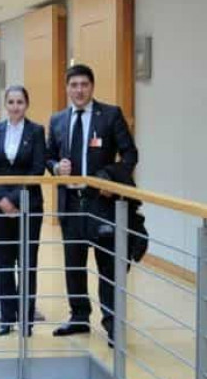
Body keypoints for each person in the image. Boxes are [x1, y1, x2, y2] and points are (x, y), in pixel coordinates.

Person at [46, 64, 138, 346]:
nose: (79, 90)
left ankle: (112, 324)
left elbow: (130, 155)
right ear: (67, 88)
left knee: (107, 266)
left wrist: (108, 178)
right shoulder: (58, 120)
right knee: (73, 265)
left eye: (84, 85)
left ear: (92, 87)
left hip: (102, 203)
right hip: (71, 204)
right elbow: (48, 156)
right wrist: (55, 166)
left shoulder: (110, 115)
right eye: (74, 85)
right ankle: (79, 317)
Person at [0, 85, 46, 337]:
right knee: (4, 263)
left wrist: (14, 199)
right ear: (5, 105)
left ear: (26, 104)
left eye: (20, 102)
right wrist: (2, 199)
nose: (15, 106)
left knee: (27, 264)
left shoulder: (36, 131)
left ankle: (26, 320)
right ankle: (7, 317)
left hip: (28, 204)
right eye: (11, 102)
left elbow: (37, 168)